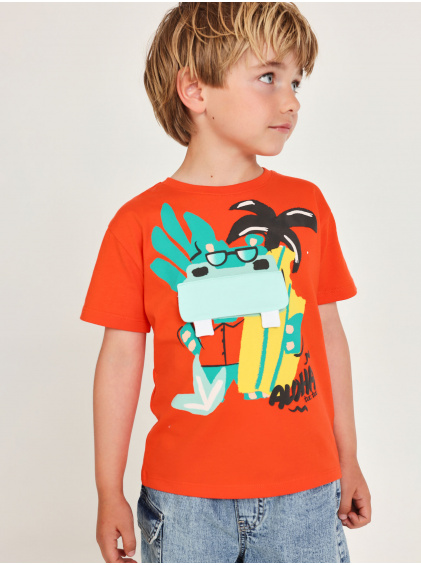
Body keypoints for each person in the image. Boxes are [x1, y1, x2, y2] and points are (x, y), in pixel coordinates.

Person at [80, 3, 371, 563]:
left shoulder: (306, 205)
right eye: (268, 77)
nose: (291, 100)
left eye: (295, 82)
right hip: (184, 500)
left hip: (307, 492)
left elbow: (328, 335)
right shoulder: (137, 222)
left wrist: (348, 456)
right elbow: (119, 359)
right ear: (195, 90)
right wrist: (107, 490)